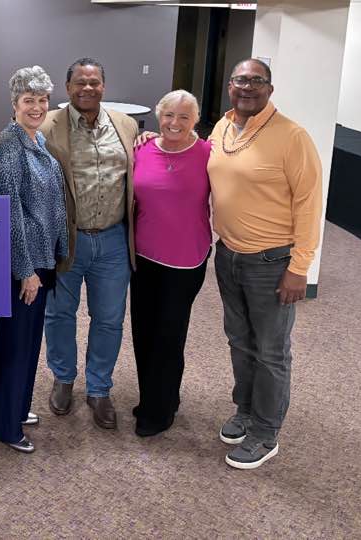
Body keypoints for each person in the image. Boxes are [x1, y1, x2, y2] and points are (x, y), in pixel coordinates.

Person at [208, 58, 322, 469]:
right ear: (230, 86)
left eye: (257, 80)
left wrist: (300, 267)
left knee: (271, 351)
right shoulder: (222, 128)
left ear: (269, 89)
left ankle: (265, 432)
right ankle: (245, 410)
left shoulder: (293, 137)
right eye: (240, 80)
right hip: (228, 255)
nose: (247, 87)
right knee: (240, 342)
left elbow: (309, 205)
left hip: (272, 262)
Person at [39, 58, 138, 430]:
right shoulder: (47, 125)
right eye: (80, 82)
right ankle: (63, 377)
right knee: (59, 314)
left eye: (94, 82)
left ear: (103, 86)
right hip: (68, 238)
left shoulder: (126, 125)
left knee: (109, 319)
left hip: (113, 239)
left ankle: (99, 388)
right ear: (67, 87)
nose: (87, 88)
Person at [0, 66, 68, 453]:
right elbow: (10, 211)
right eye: (28, 100)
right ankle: (5, 426)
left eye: (42, 100)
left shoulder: (36, 139)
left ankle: (11, 406)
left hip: (42, 259)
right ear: (14, 103)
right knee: (16, 344)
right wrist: (25, 270)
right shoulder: (9, 145)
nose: (36, 107)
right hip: (25, 265)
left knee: (28, 341)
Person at [130, 90, 211, 437]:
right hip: (143, 258)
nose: (175, 123)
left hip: (186, 261)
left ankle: (158, 412)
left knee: (168, 335)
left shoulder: (208, 154)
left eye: (184, 117)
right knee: (143, 332)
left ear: (196, 120)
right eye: (168, 115)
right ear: (158, 116)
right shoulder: (141, 149)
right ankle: (157, 396)